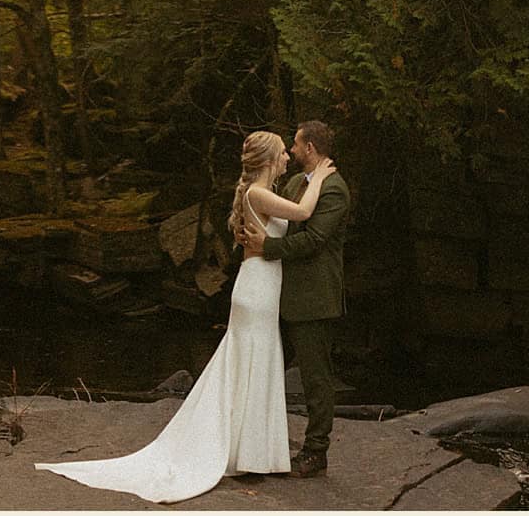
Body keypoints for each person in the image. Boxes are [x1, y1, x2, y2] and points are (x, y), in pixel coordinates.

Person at [33, 130, 336, 504]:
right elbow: (304, 212)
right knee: (254, 360)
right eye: (282, 154)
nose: (288, 158)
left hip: (263, 286)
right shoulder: (258, 194)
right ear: (269, 160)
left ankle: (251, 450)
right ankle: (244, 449)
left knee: (254, 361)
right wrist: (319, 177)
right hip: (258, 288)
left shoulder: (260, 193)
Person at [240, 119, 349, 479]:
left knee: (316, 378)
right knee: (264, 369)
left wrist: (266, 247)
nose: (291, 151)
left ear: (311, 148)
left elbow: (314, 239)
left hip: (314, 298)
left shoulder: (334, 190)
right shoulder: (291, 183)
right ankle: (258, 443)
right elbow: (275, 212)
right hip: (275, 294)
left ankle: (316, 451)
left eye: (296, 145)